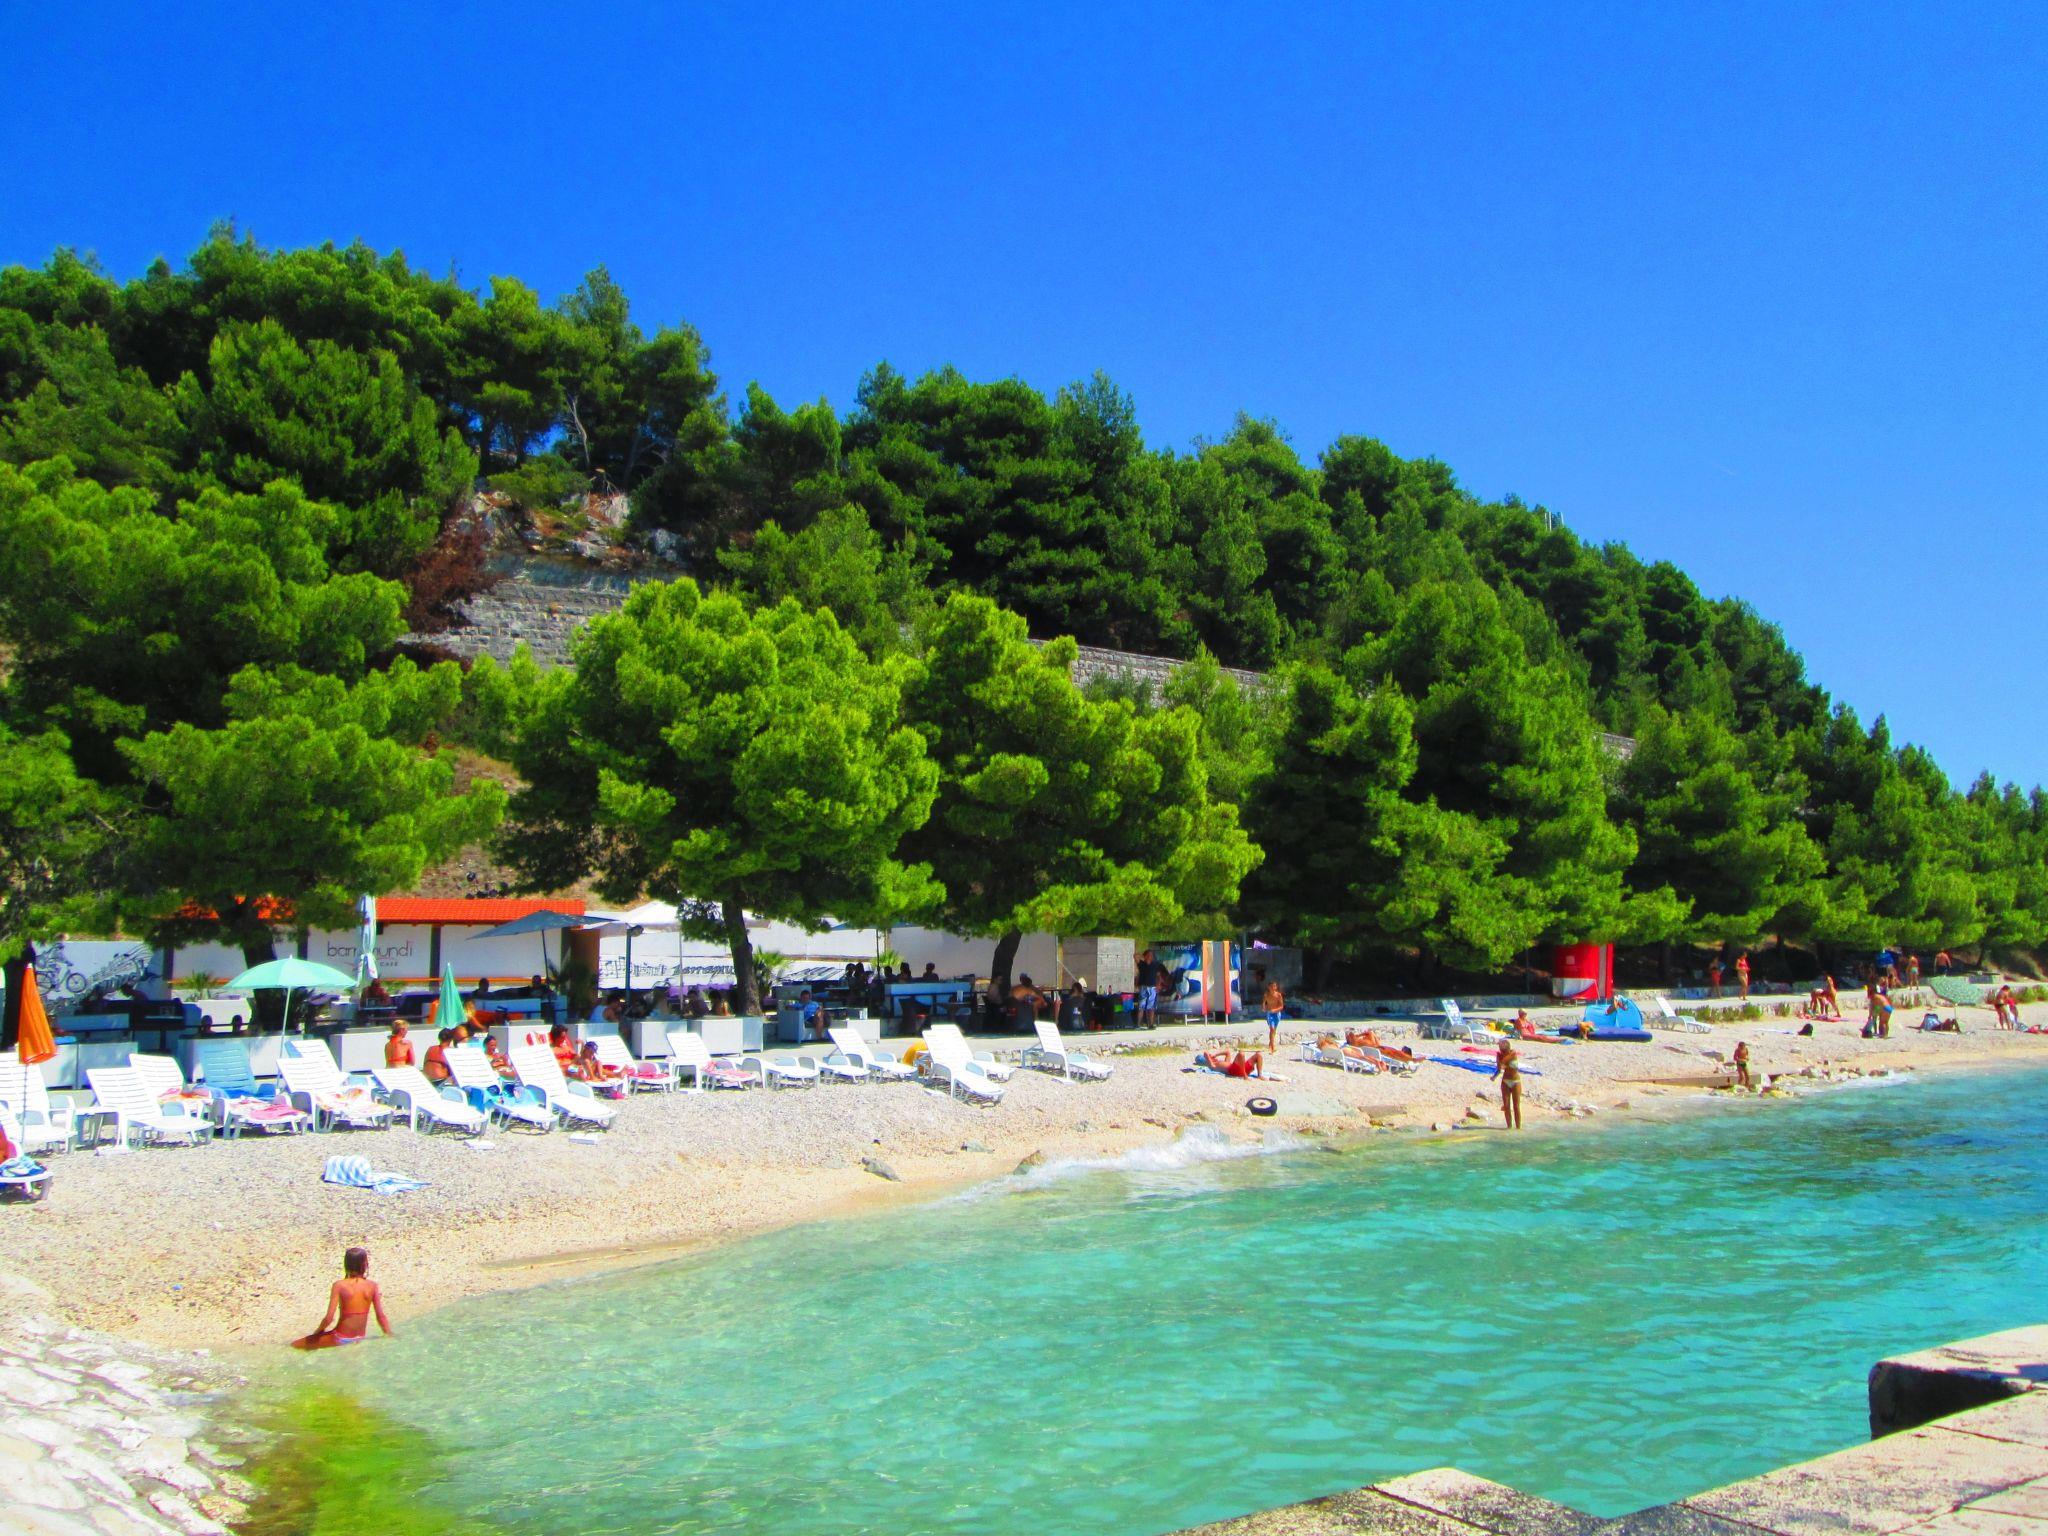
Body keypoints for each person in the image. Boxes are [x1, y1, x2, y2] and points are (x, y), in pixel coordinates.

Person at [293, 1247, 394, 1349]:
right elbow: (381, 1317)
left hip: (340, 1337)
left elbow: (329, 1318)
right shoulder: (372, 1286)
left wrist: (317, 1332)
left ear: (346, 1265)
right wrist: (389, 1335)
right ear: (365, 1265)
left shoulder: (339, 1285)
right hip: (360, 1337)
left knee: (294, 1345)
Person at [1491, 1039, 1523, 1129]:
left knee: (1516, 1106)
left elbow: (1503, 1063)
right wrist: (1494, 1076)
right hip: (1505, 1081)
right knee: (1506, 1106)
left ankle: (1518, 1128)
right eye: (1500, 1050)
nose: (1501, 1051)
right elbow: (1499, 1068)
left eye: (1502, 1050)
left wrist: (1499, 1058)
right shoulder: (1500, 1055)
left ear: (1507, 1049)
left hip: (1516, 1082)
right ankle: (1509, 1128)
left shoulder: (1513, 1053)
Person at [1135, 948, 1160, 1028]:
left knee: (1151, 1007)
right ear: (1145, 956)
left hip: (1152, 988)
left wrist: (1158, 985)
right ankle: (1138, 1024)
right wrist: (1143, 956)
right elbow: (1135, 956)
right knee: (1141, 1006)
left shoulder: (1155, 965)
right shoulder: (1141, 964)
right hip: (1143, 987)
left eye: (1151, 955)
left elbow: (1158, 976)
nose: (1150, 957)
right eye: (1148, 955)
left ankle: (1151, 1024)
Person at [1262, 976, 1285, 1053]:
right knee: (1271, 1029)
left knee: (1274, 1030)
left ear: (1276, 987)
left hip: (1277, 1014)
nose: (1273, 988)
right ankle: (1272, 1047)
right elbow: (1264, 1003)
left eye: (1274, 986)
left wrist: (1275, 1010)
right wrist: (1264, 1007)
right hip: (1270, 1014)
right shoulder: (1266, 995)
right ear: (1268, 987)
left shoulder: (1278, 995)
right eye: (1271, 986)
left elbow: (1281, 1006)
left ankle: (1270, 1043)